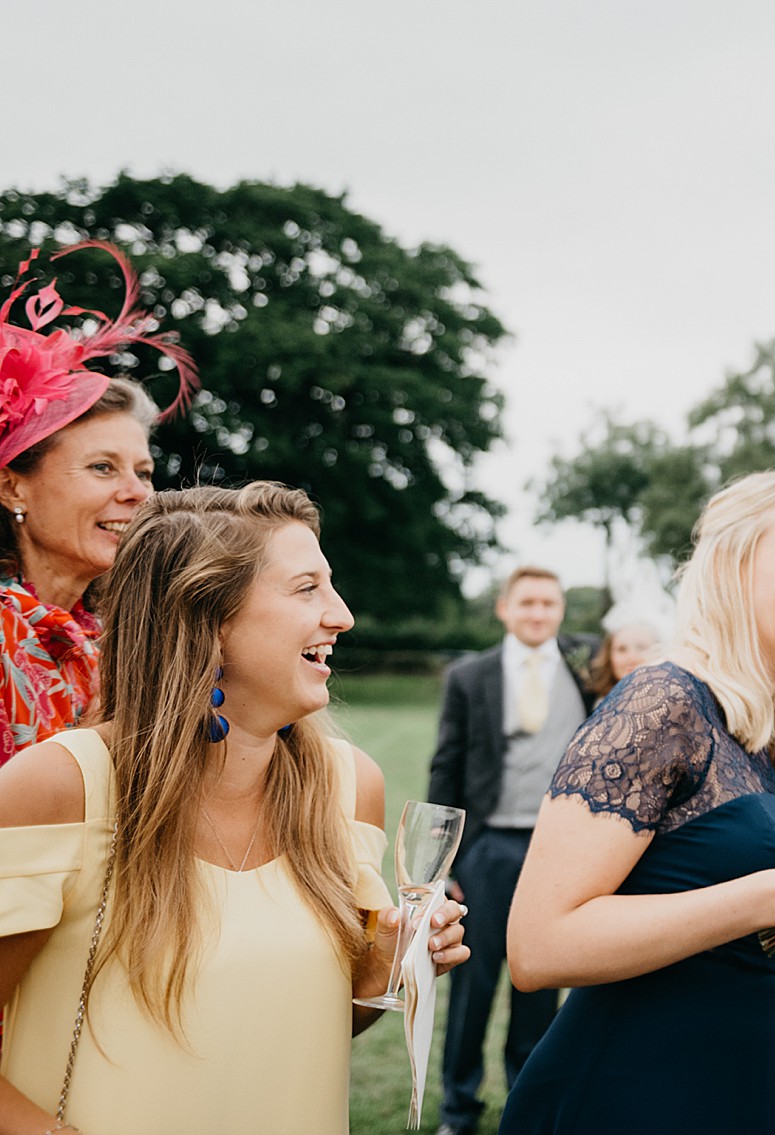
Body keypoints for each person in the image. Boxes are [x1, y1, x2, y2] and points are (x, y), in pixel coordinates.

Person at [0, 481, 470, 1134]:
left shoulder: (348, 785)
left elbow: (311, 1028)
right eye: (307, 588)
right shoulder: (60, 786)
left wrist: (379, 966)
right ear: (209, 621)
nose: (342, 614)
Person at [498, 472, 775, 1135]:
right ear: (733, 566)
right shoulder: (662, 702)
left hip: (740, 1084)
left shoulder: (752, 736)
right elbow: (537, 947)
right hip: (632, 1094)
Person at [0, 241, 197, 768]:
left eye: (144, 472)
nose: (139, 493)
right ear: (12, 487)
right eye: (102, 467)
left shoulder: (128, 643)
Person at [428, 565, 593, 1135]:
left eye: (548, 603)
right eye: (526, 603)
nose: (537, 613)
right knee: (473, 985)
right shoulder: (469, 676)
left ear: (561, 611)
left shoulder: (586, 670)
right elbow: (445, 765)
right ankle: (458, 1110)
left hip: (560, 850)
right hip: (487, 847)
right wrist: (440, 864)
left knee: (539, 985)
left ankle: (528, 1105)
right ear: (504, 608)